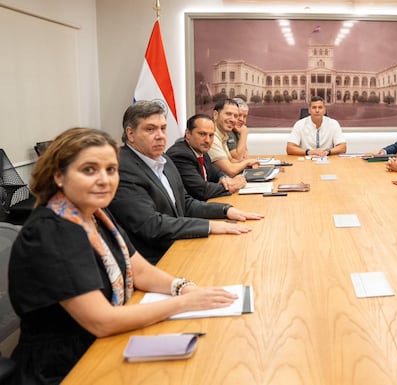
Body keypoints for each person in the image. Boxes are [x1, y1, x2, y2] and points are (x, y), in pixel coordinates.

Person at [7, 127, 238, 385]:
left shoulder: (95, 213)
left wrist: (183, 288)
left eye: (111, 169)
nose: (104, 180)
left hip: (101, 345)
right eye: (89, 170)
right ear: (59, 176)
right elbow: (102, 322)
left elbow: (138, 269)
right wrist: (183, 304)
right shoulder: (51, 232)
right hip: (63, 368)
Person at [109, 101, 263, 264]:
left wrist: (225, 210)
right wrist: (211, 226)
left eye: (163, 128)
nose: (160, 135)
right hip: (157, 259)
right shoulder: (122, 169)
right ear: (130, 134)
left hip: (179, 245)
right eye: (150, 129)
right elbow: (152, 225)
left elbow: (185, 204)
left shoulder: (164, 160)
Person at [166, 114, 247, 201]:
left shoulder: (201, 150)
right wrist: (233, 185)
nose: (207, 140)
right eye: (202, 134)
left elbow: (216, 173)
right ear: (188, 134)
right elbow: (202, 190)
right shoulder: (180, 155)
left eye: (211, 135)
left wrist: (224, 179)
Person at [208, 98, 261, 177]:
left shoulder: (223, 135)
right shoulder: (211, 137)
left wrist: (245, 162)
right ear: (215, 115)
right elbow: (231, 170)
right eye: (228, 114)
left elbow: (232, 161)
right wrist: (247, 162)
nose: (233, 119)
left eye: (236, 116)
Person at [227, 97, 250, 162]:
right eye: (239, 115)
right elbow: (238, 157)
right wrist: (244, 133)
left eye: (245, 116)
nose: (242, 119)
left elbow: (246, 155)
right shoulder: (228, 131)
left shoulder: (238, 130)